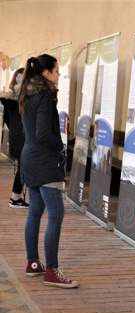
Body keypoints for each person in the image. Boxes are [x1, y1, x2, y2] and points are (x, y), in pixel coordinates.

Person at [18, 54, 79, 288]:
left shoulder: (27, 93)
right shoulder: (44, 96)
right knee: (56, 214)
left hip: (30, 158)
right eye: (56, 70)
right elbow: (44, 134)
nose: (59, 74)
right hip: (44, 162)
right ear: (46, 74)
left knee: (35, 211)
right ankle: (52, 271)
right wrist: (61, 148)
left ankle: (33, 263)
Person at [0, 68, 29, 208]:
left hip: (15, 136)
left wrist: (14, 130)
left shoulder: (9, 99)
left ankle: (15, 197)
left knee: (23, 166)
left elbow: (6, 118)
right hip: (25, 136)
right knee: (24, 167)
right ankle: (15, 197)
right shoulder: (24, 99)